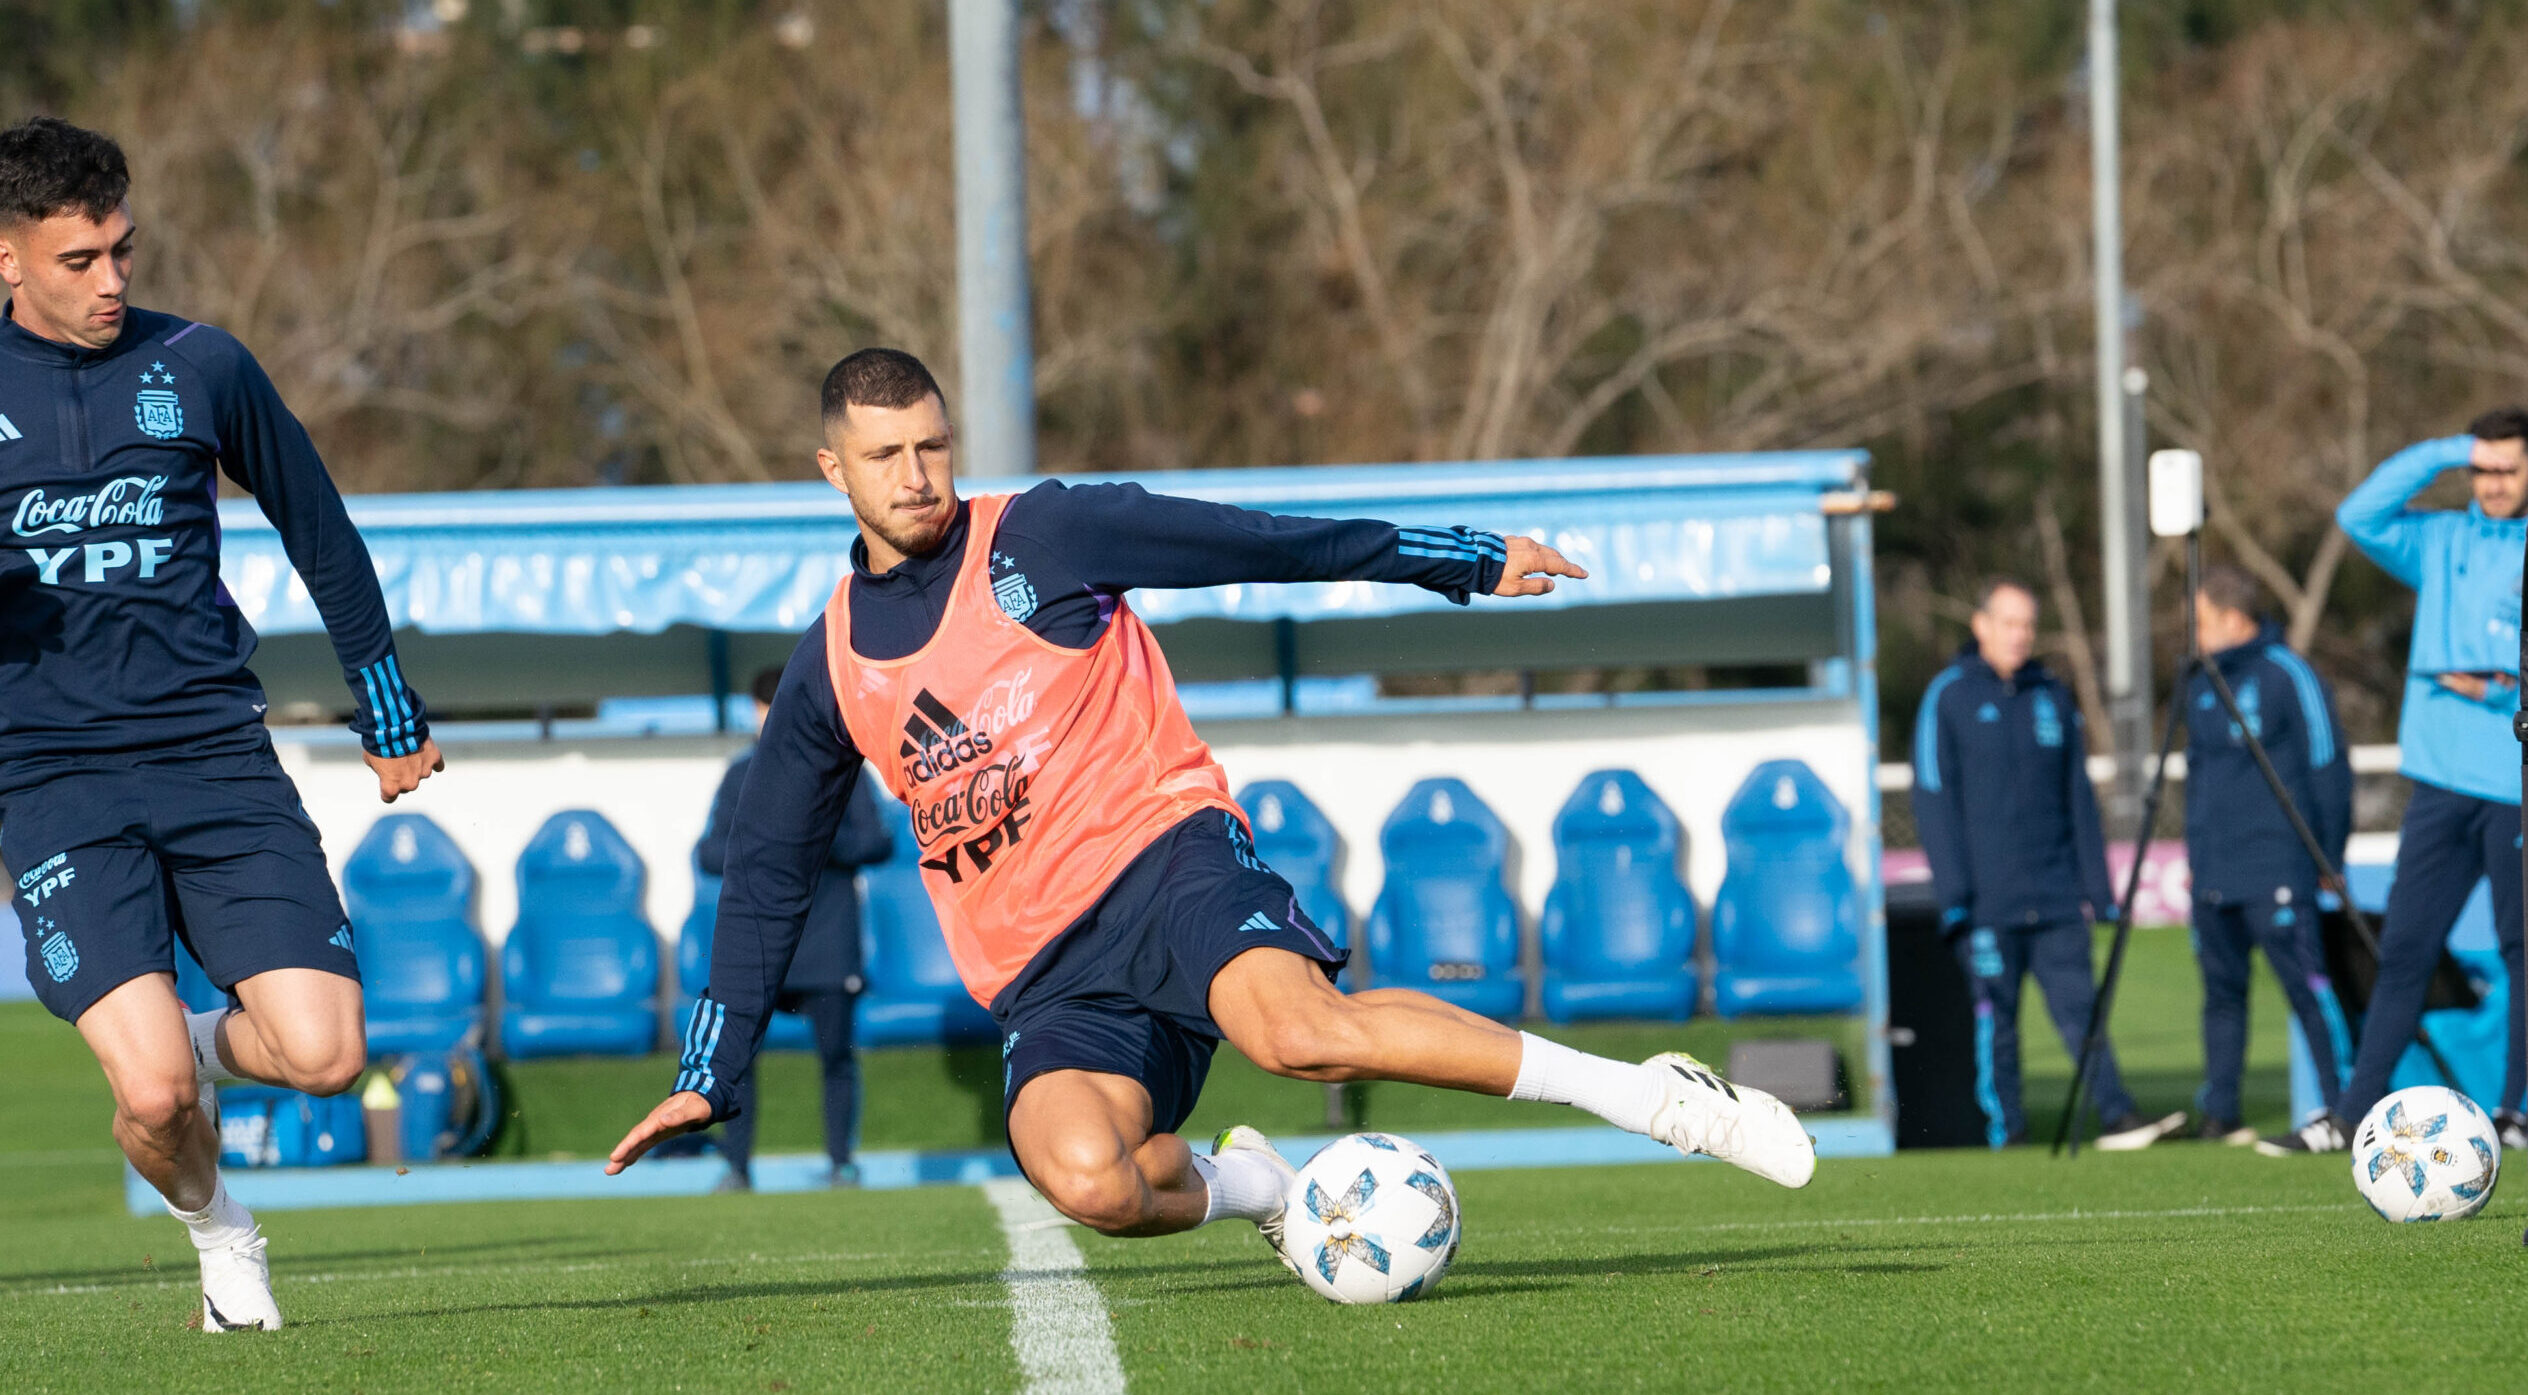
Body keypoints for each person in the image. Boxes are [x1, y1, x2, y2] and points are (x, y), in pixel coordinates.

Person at [613, 348, 1815, 1253]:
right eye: (886, 456)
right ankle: (1258, 1189)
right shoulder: (830, 665)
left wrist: (1449, 556)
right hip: (1043, 973)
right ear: (833, 470)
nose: (918, 474)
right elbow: (767, 868)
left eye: (932, 444)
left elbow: (1258, 541)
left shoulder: (1042, 535)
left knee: (1299, 1034)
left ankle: (1656, 1096)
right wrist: (709, 1073)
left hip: (1166, 859)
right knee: (1091, 1184)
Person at [0, 119, 442, 1330]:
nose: (110, 280)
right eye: (78, 260)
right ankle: (222, 1237)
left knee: (328, 1058)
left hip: (215, 759)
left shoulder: (202, 364)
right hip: (52, 779)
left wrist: (386, 705)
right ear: (7, 258)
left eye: (121, 252)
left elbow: (319, 528)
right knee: (146, 1096)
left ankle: (195, 1038)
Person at [2266, 411, 2528, 1153]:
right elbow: (2360, 511)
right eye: (2483, 468)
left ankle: (2516, 1113)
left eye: (2508, 466)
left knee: (2521, 951)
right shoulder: (2440, 540)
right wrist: (2449, 449)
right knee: (2404, 950)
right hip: (2440, 785)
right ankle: (2350, 1116)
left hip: (2515, 783)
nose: (2494, 482)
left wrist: (2498, 691)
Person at [1911, 579, 2187, 1151]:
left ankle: (2116, 1116)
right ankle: (2007, 1133)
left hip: (2057, 895)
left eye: (2028, 625)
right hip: (1986, 903)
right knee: (1998, 1026)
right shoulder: (1950, 697)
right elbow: (1933, 801)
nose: (2020, 636)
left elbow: (2079, 801)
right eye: (2008, 623)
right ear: (1980, 625)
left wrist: (2099, 890)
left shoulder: (2052, 697)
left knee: (2082, 1014)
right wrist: (1956, 896)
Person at [698, 666, 893, 1190]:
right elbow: (709, 853)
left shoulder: (845, 768)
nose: (774, 717)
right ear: (758, 711)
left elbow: (877, 843)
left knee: (835, 1058)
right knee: (736, 1061)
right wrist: (767, 849)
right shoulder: (742, 775)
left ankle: (841, 1163)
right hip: (762, 949)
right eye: (767, 708)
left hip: (828, 944)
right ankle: (736, 1168)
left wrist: (814, 844)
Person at [2181, 565, 2356, 1144]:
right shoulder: (2200, 682)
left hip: (2279, 868)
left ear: (2232, 619)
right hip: (2214, 876)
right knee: (2221, 998)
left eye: (2201, 621)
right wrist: (2196, 860)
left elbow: (2328, 767)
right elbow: (2198, 782)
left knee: (2309, 989)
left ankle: (2346, 1107)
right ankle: (2220, 1112)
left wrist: (2328, 858)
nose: (2194, 632)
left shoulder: (2288, 673)